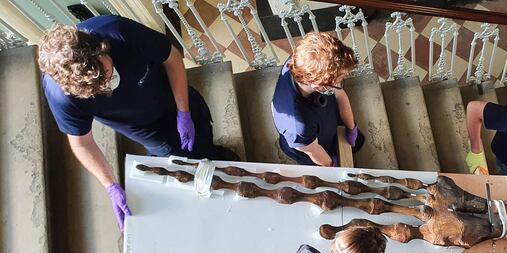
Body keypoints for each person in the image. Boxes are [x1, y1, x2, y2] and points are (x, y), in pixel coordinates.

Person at [38, 16, 230, 232]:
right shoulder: (62, 98)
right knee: (178, 156)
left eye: (107, 75)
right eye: (100, 88)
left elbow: (172, 59)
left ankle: (216, 153)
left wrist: (184, 112)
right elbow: (81, 143)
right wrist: (110, 185)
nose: (109, 84)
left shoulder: (117, 31)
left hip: (172, 95)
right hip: (144, 128)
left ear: (101, 49)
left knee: (202, 126)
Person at [271, 32, 364, 167]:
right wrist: (333, 165)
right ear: (318, 85)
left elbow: (339, 93)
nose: (340, 83)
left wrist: (351, 128)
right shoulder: (298, 125)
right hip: (311, 145)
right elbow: (314, 150)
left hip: (326, 121)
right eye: (338, 81)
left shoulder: (301, 59)